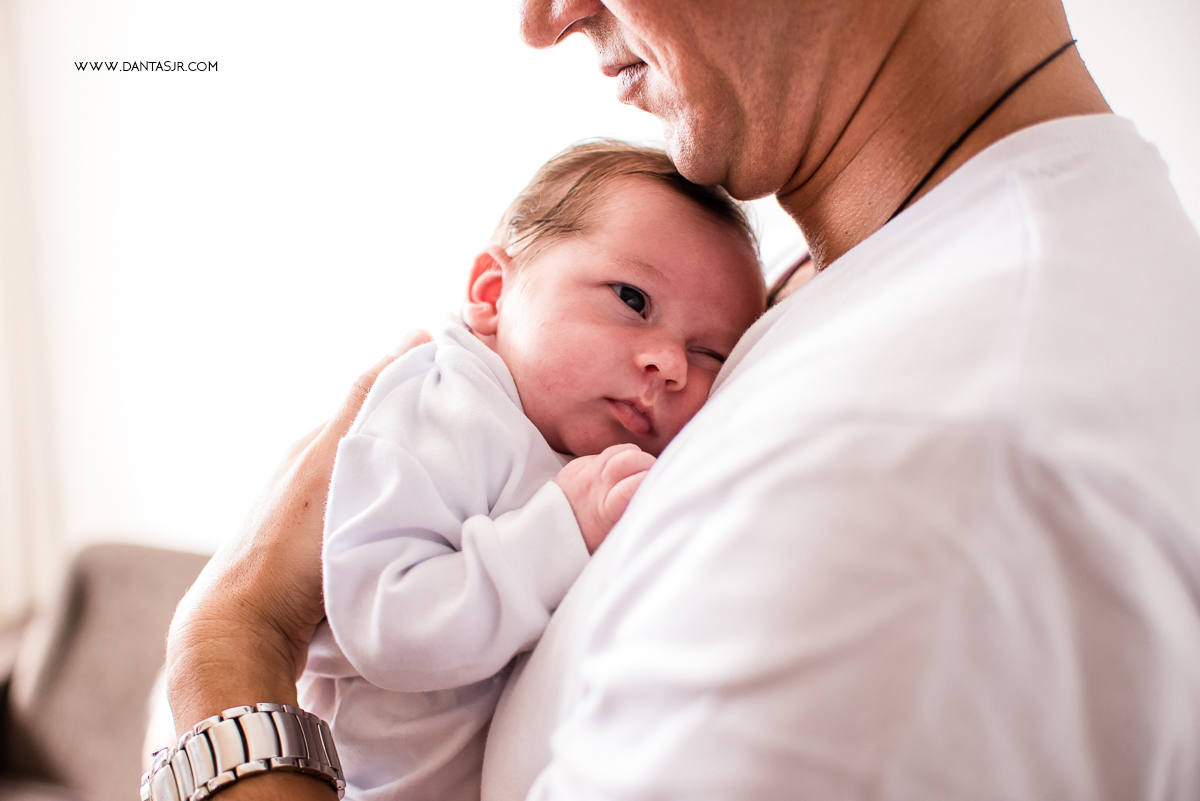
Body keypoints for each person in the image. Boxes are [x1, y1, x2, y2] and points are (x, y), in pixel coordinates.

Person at [164, 0, 1200, 799]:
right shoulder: (867, 287)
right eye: (631, 302)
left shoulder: (911, 465)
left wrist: (226, 659)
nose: (543, 18)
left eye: (700, 348)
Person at [299, 140, 764, 801]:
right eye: (633, 298)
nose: (670, 363)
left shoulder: (607, 461)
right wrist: (558, 530)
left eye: (709, 352)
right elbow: (382, 623)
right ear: (492, 294)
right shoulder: (447, 404)